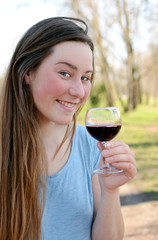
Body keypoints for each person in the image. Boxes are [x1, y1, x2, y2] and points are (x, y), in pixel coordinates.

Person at [0, 17, 137, 240]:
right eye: (65, 73)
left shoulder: (91, 145)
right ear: (28, 72)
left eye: (85, 77)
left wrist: (111, 191)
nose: (80, 91)